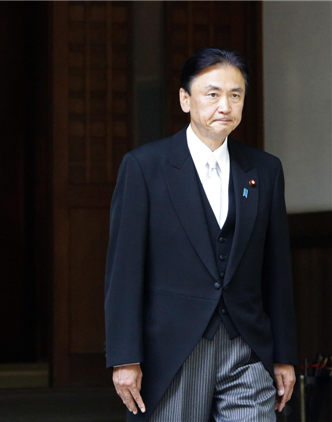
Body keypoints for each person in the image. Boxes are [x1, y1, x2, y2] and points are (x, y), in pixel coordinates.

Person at [105, 48, 297, 421]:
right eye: (212, 94)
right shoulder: (145, 167)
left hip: (247, 348)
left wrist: (284, 355)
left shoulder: (265, 170)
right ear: (185, 99)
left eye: (235, 95)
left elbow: (277, 270)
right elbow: (124, 269)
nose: (225, 105)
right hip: (174, 350)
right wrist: (124, 357)